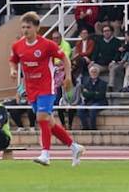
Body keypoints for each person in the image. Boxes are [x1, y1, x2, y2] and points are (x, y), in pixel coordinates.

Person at [10, 11, 84, 167]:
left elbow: (64, 58)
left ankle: (45, 154)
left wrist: (68, 76)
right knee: (48, 122)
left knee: (41, 118)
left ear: (37, 28)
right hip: (31, 88)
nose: (25, 30)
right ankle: (74, 147)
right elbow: (13, 60)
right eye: (23, 27)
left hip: (46, 86)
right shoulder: (18, 45)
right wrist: (13, 70)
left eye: (28, 27)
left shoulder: (47, 44)